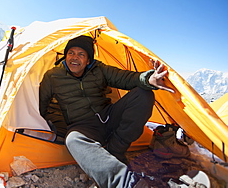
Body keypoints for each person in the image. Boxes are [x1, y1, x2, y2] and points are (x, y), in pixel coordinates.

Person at [39, 35, 175, 188]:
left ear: (88, 60)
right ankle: (126, 183)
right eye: (71, 53)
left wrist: (147, 79)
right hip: (83, 125)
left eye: (81, 54)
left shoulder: (99, 69)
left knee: (144, 94)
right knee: (72, 140)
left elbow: (125, 78)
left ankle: (115, 150)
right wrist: (57, 126)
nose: (74, 58)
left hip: (108, 116)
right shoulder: (52, 76)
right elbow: (42, 106)